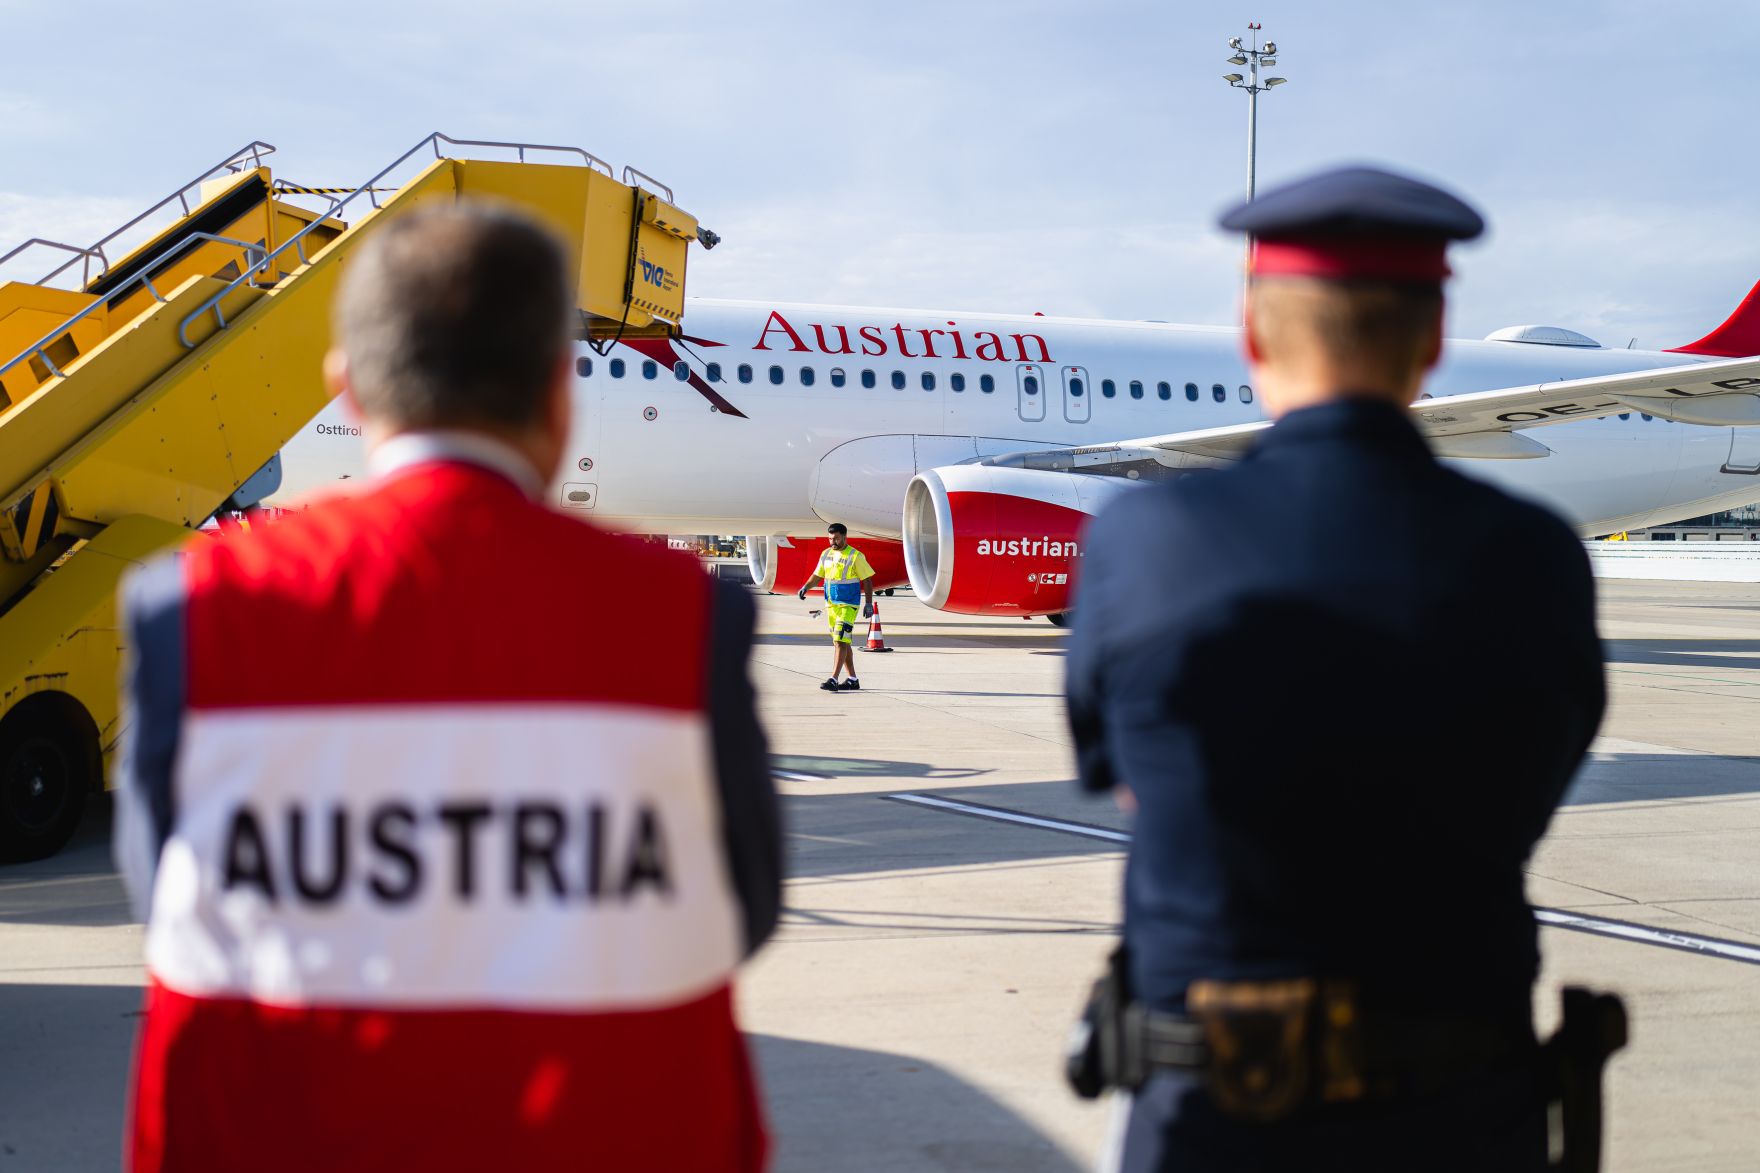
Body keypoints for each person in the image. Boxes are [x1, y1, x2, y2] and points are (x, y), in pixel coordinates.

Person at [112, 205, 781, 1173]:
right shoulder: (688, 617)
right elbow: (745, 904)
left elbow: (161, 887)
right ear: (561, 394)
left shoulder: (191, 610)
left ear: (348, 392)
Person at [1066, 167, 1608, 1171]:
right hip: (1463, 1115)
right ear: (1435, 342)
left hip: (1206, 1116)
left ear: (1250, 332)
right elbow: (1533, 778)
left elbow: (1127, 777)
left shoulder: (1141, 540)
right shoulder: (1533, 556)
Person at [797, 522, 875, 691]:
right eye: (830, 538)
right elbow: (818, 575)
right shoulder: (826, 554)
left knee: (840, 640)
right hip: (831, 606)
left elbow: (867, 580)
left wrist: (868, 604)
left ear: (845, 537)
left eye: (837, 538)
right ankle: (853, 679)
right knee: (842, 643)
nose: (833, 541)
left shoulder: (855, 556)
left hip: (848, 605)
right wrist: (806, 587)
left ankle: (833, 679)